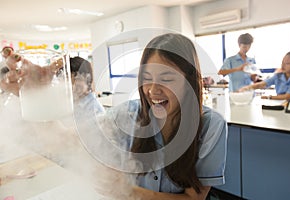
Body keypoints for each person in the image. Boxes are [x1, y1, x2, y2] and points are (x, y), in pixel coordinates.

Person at [4, 33, 227, 199]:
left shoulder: (210, 125)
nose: (153, 90)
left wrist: (129, 192)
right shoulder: (127, 114)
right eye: (147, 77)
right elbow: (66, 141)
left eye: (167, 78)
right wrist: (37, 94)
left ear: (189, 81)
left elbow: (194, 198)